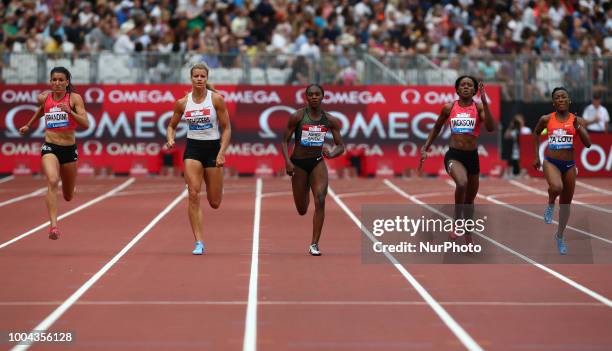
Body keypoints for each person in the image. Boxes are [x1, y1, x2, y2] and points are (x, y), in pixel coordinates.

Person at [419, 76, 495, 243]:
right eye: (462, 85)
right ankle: (457, 221)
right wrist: (426, 147)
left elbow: (490, 128)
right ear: (457, 89)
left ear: (474, 90)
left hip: (472, 157)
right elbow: (437, 127)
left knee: (469, 200)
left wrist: (485, 102)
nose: (466, 87)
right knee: (462, 183)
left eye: (469, 85)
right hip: (454, 155)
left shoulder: (479, 107)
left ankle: (468, 234)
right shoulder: (449, 107)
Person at [165, 63, 231, 255]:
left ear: (207, 78)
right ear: (191, 78)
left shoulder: (216, 99)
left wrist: (221, 152)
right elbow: (172, 126)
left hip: (213, 148)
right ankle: (199, 242)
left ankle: (217, 183)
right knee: (193, 194)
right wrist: (170, 139)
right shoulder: (183, 103)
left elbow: (227, 128)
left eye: (203, 76)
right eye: (196, 76)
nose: (199, 79)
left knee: (214, 202)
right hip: (193, 149)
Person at [18, 67, 89, 240]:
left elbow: (85, 123)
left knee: (68, 195)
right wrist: (28, 125)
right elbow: (43, 109)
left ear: (67, 82)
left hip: (69, 149)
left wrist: (69, 112)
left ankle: (69, 187)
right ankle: (54, 226)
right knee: (52, 180)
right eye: (54, 80)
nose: (57, 83)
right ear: (50, 82)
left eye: (60, 80)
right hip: (50, 146)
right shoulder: (45, 97)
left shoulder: (74, 98)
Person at [280, 84, 345, 256]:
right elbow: (284, 141)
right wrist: (287, 162)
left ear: (323, 96)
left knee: (321, 199)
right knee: (302, 209)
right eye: (311, 94)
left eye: (317, 94)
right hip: (299, 164)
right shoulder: (298, 116)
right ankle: (306, 188)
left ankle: (314, 244)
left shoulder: (330, 120)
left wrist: (331, 154)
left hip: (317, 162)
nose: (314, 97)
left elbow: (341, 146)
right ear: (306, 97)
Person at [532, 87, 591, 255]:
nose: (561, 99)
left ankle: (559, 236)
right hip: (551, 162)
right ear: (553, 102)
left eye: (563, 97)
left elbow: (588, 144)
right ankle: (551, 203)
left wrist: (578, 126)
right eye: (557, 97)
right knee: (556, 187)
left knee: (565, 205)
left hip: (569, 165)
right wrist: (536, 156)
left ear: (569, 100)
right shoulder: (545, 119)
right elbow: (535, 134)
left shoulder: (577, 120)